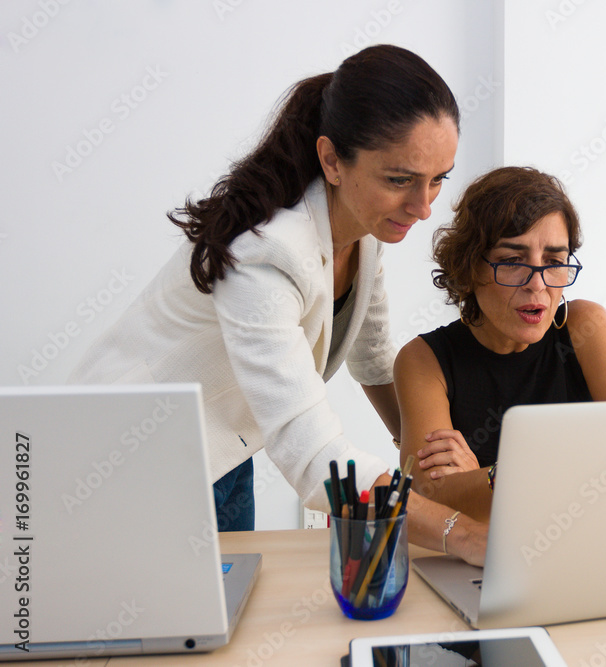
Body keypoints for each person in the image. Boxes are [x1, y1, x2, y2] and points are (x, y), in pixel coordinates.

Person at [68, 45, 486, 565]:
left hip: (224, 452)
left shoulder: (363, 231)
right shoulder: (265, 252)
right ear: (332, 160)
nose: (423, 207)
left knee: (226, 629)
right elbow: (313, 453)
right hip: (126, 465)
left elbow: (373, 359)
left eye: (439, 177)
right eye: (400, 180)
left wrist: (430, 468)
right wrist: (459, 532)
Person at [394, 166, 606, 522]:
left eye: (554, 261)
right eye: (512, 260)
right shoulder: (425, 360)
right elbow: (429, 500)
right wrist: (585, 465)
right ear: (469, 266)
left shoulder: (587, 327)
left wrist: (488, 475)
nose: (537, 284)